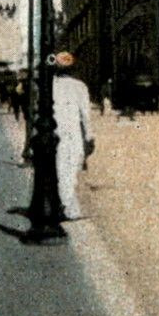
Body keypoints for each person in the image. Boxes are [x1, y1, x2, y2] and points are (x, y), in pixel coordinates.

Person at [50, 52, 95, 221]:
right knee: (71, 169)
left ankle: (66, 204)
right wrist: (89, 136)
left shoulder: (50, 85)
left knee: (61, 169)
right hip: (73, 133)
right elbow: (85, 115)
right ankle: (66, 206)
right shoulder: (80, 86)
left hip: (55, 131)